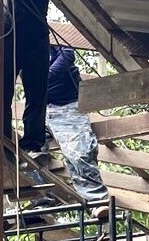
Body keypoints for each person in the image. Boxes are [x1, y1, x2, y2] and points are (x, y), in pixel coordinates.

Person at [21, 45, 111, 217]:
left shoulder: (55, 44)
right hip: (39, 109)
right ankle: (41, 203)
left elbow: (67, 56)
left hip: (67, 107)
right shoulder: (21, 48)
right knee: (28, 155)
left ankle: (96, 202)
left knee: (79, 152)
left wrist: (39, 77)